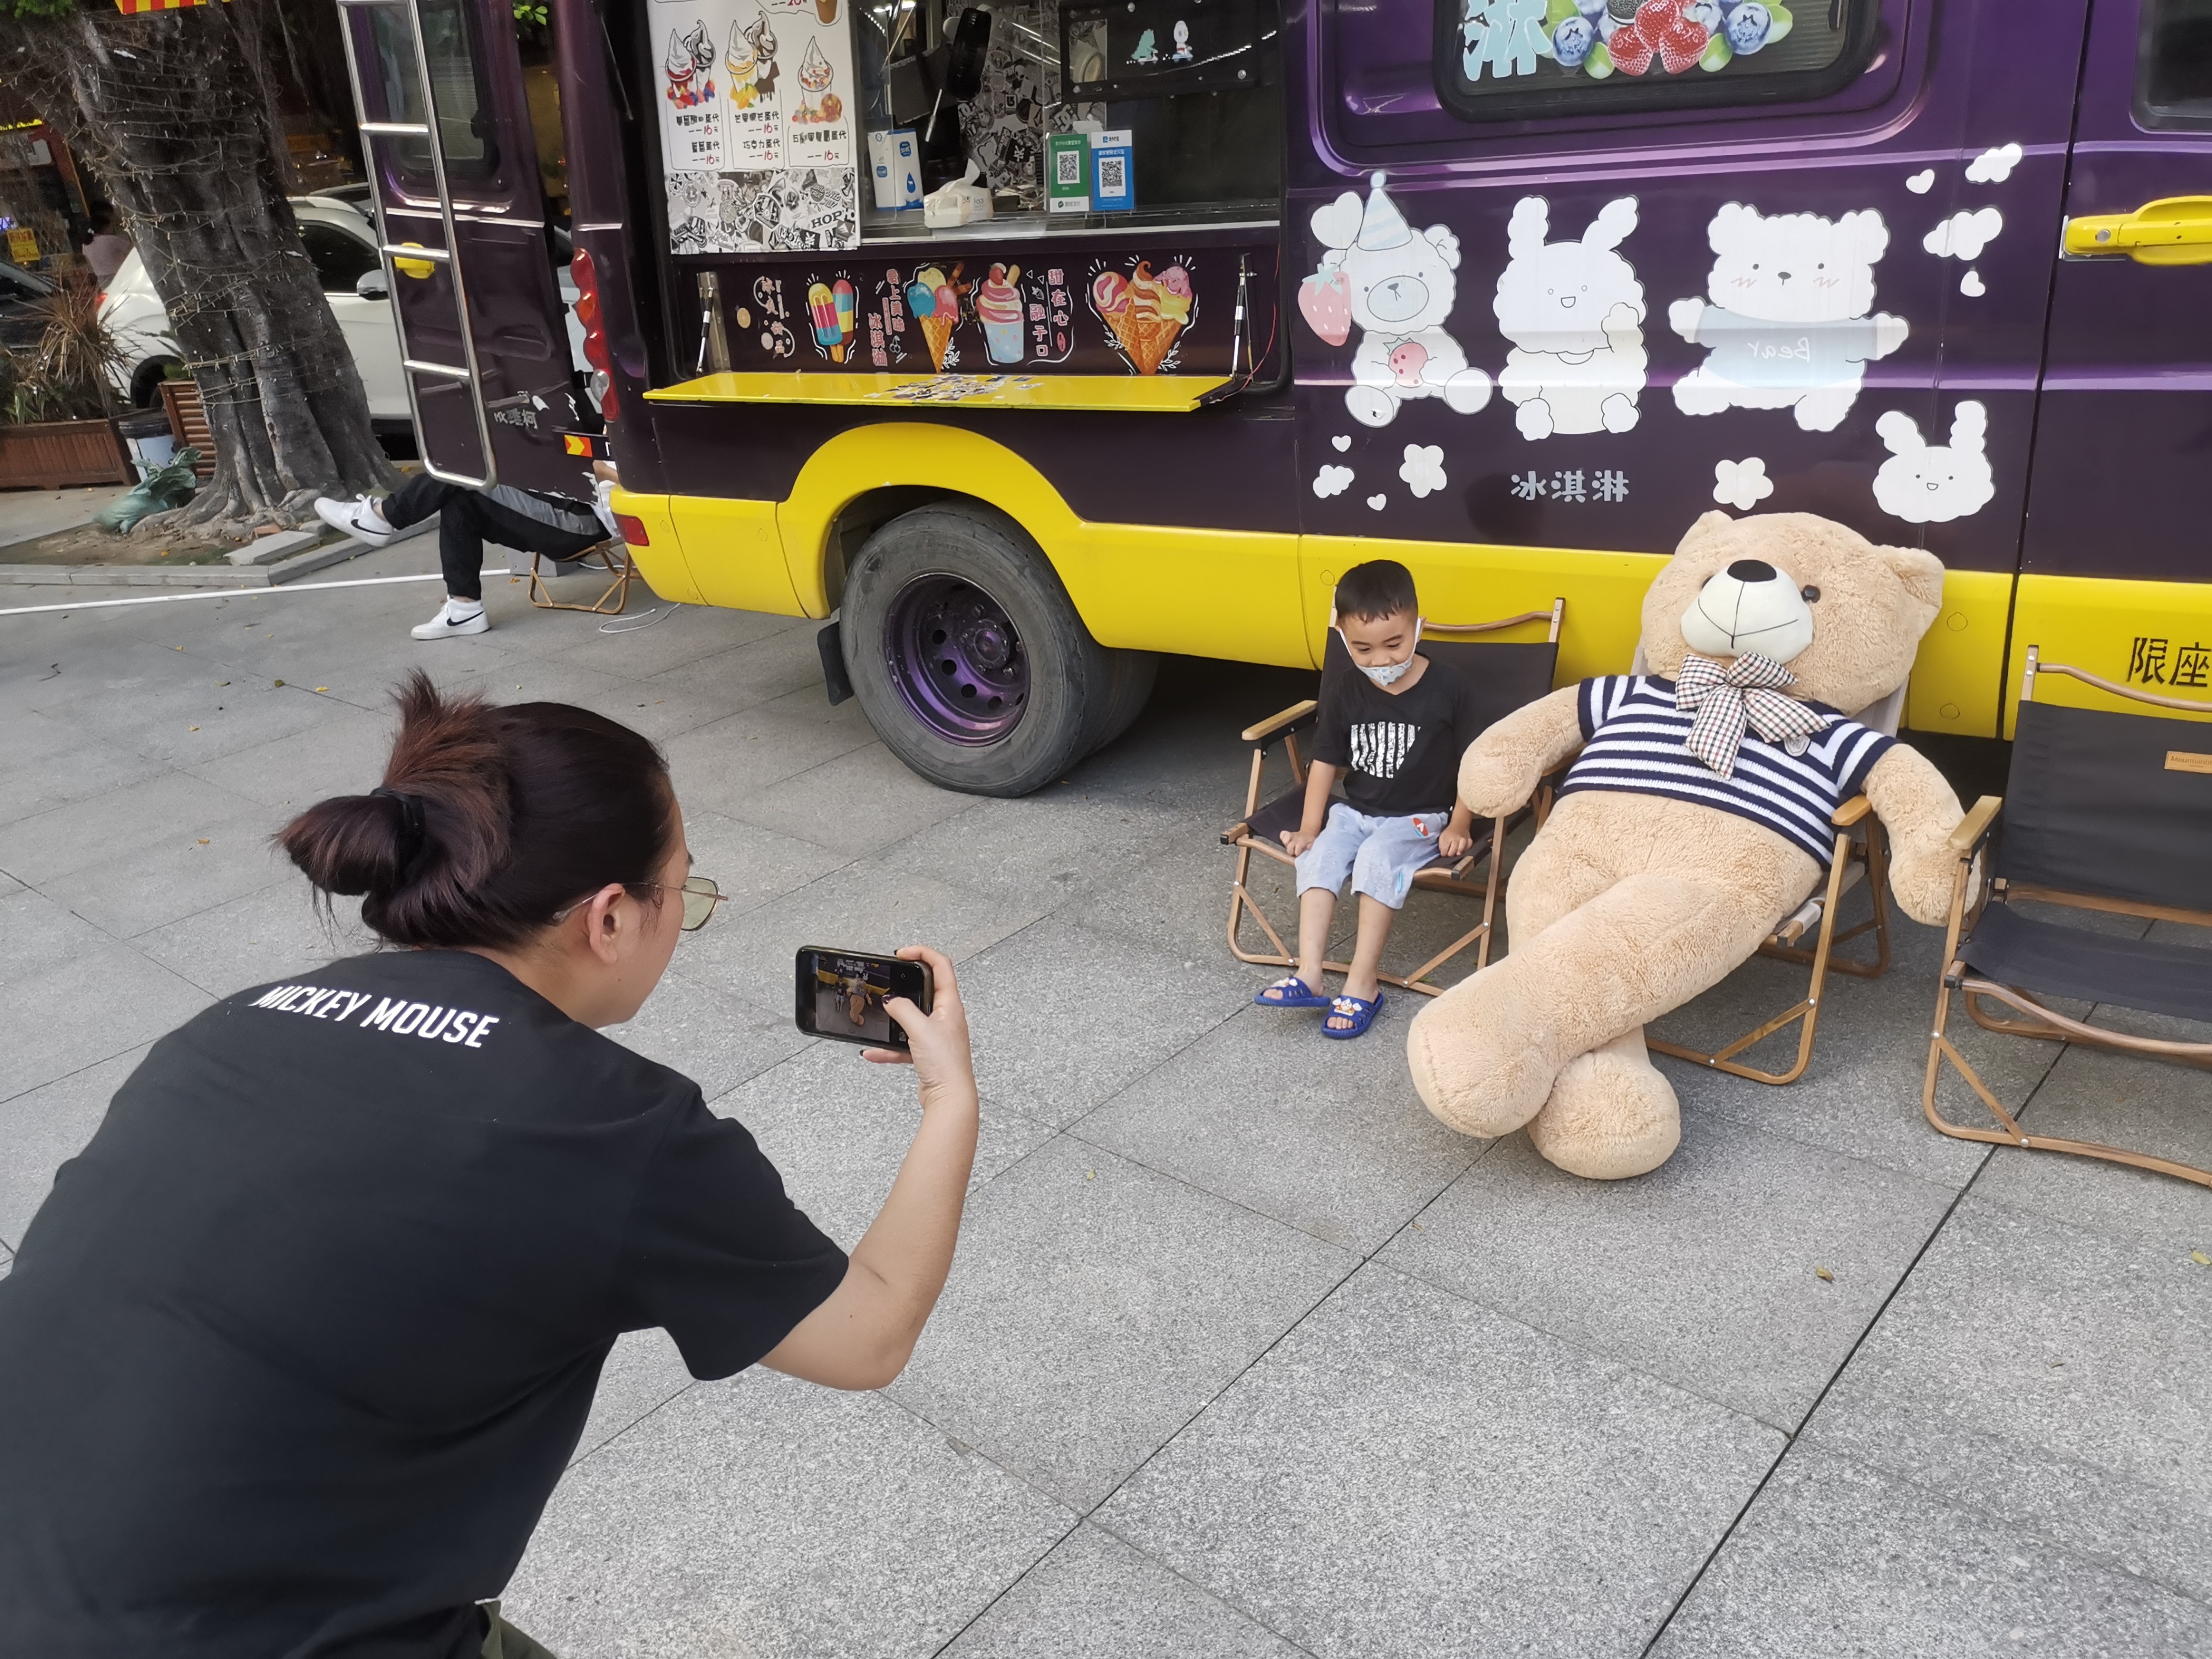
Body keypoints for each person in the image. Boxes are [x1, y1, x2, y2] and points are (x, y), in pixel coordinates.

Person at [0, 672, 981, 1658]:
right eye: (684, 887)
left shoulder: (231, 1021)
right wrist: (951, 1100)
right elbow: (868, 1334)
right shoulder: (610, 1124)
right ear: (607, 917)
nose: (684, 911)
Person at [1252, 559, 1483, 1039]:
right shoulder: (1346, 689)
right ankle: (1310, 973)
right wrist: (1310, 828)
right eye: (1362, 648)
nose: (1380, 659)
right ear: (1341, 636)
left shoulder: (1450, 687)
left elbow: (1473, 762)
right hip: (1354, 812)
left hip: (1419, 818)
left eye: (1393, 643)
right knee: (1317, 858)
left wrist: (1460, 824)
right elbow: (1325, 761)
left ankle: (1362, 984)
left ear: (1417, 626)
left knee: (1378, 859)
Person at [314, 459, 622, 641]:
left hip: (586, 521)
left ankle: (382, 516)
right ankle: (464, 609)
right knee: (460, 497)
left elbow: (629, 474)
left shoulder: (650, 421)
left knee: (467, 475)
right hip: (562, 500)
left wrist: (587, 461)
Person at [80, 206, 133, 286]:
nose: (113, 228)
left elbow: (90, 267)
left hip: (102, 282)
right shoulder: (111, 239)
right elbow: (134, 250)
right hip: (121, 277)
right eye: (111, 226)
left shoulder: (86, 245)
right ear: (105, 227)